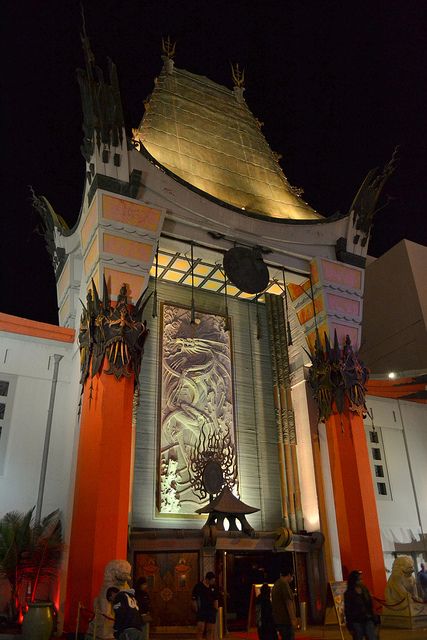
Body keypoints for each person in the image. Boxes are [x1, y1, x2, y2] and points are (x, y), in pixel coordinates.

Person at [344, 570, 377, 640]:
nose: (361, 581)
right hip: (356, 621)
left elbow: (370, 605)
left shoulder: (365, 590)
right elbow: (348, 610)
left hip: (367, 619)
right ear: (354, 581)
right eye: (359, 579)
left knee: (372, 637)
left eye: (361, 579)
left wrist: (374, 617)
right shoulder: (349, 593)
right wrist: (349, 625)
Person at [191, 571, 219, 640]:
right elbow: (194, 599)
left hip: (211, 611)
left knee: (210, 630)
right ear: (207, 579)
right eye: (212, 581)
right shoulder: (198, 586)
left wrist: (216, 610)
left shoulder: (213, 587)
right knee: (200, 629)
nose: (213, 582)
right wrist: (196, 609)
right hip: (202, 610)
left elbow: (216, 599)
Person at [271, 569, 297, 640]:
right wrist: (293, 619)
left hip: (279, 620)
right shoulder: (284, 584)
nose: (292, 579)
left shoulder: (276, 584)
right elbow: (288, 602)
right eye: (292, 576)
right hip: (285, 620)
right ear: (289, 575)